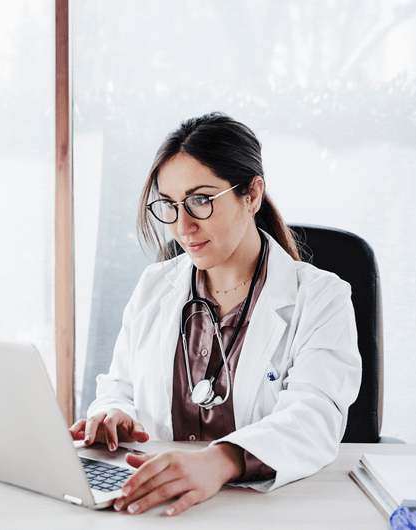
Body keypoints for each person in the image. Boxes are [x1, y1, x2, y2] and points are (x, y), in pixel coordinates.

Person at [69, 112, 361, 517]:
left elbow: (315, 417)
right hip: (161, 504)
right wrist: (114, 415)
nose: (183, 226)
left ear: (252, 195)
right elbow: (120, 388)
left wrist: (219, 461)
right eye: (169, 205)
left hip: (269, 509)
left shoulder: (321, 298)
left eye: (200, 200)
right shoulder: (154, 287)